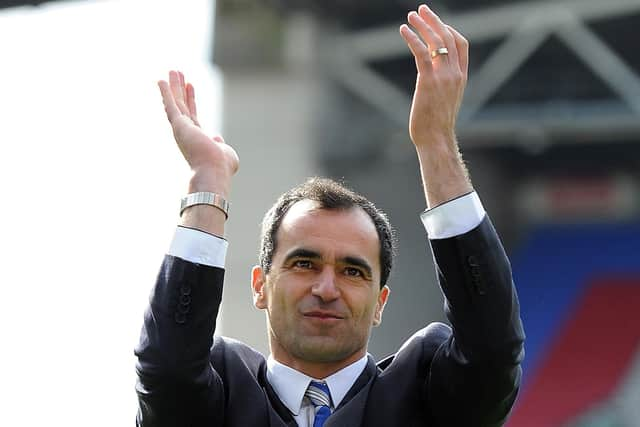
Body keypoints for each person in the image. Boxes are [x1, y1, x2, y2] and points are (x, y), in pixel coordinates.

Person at [135, 4, 525, 427]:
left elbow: (492, 352)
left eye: (353, 271)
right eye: (304, 263)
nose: (326, 287)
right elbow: (168, 366)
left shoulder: (426, 397)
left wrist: (436, 144)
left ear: (380, 303)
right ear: (260, 285)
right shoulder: (220, 396)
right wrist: (207, 182)